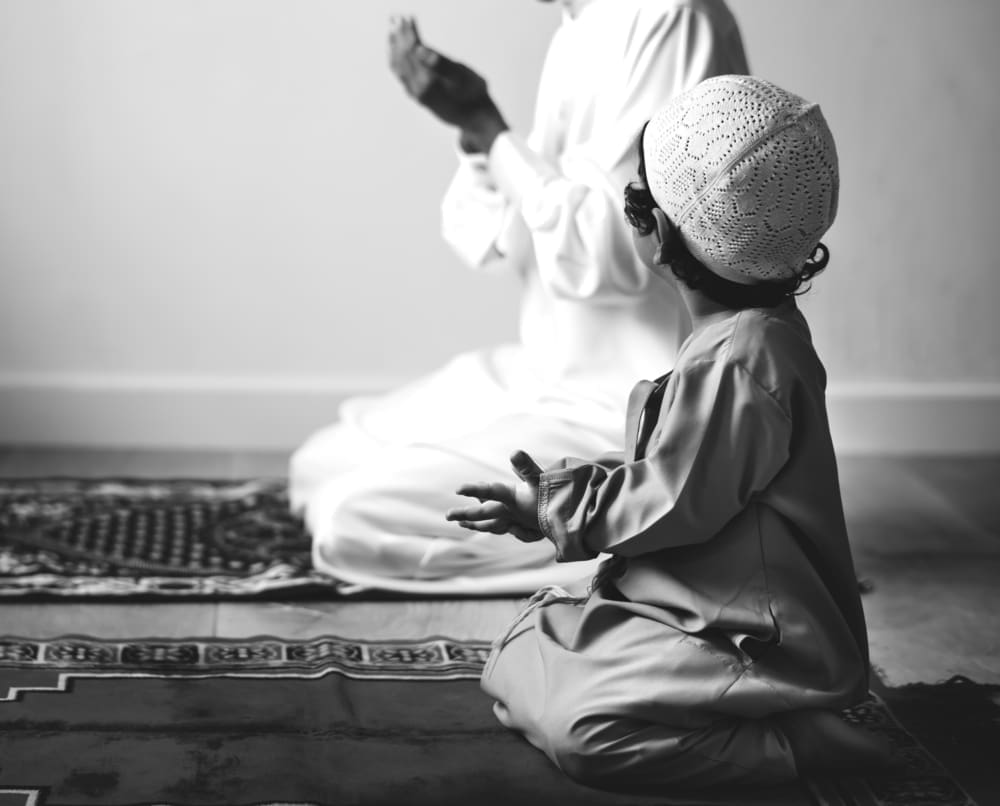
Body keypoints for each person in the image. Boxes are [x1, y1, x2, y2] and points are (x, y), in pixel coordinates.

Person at [446, 75, 892, 789]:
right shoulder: (741, 337)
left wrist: (555, 511)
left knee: (582, 731)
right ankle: (698, 695)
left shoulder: (746, 357)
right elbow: (679, 471)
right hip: (691, 603)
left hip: (757, 635)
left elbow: (676, 495)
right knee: (519, 652)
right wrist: (570, 490)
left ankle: (792, 742)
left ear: (658, 231)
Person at [290, 0, 749, 594]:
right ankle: (602, 526)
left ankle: (634, 537)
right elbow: (508, 240)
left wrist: (489, 128)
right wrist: (477, 136)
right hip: (541, 373)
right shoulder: (578, 28)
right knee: (319, 465)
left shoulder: (673, 17)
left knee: (352, 516)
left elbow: (620, 253)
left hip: (630, 404)